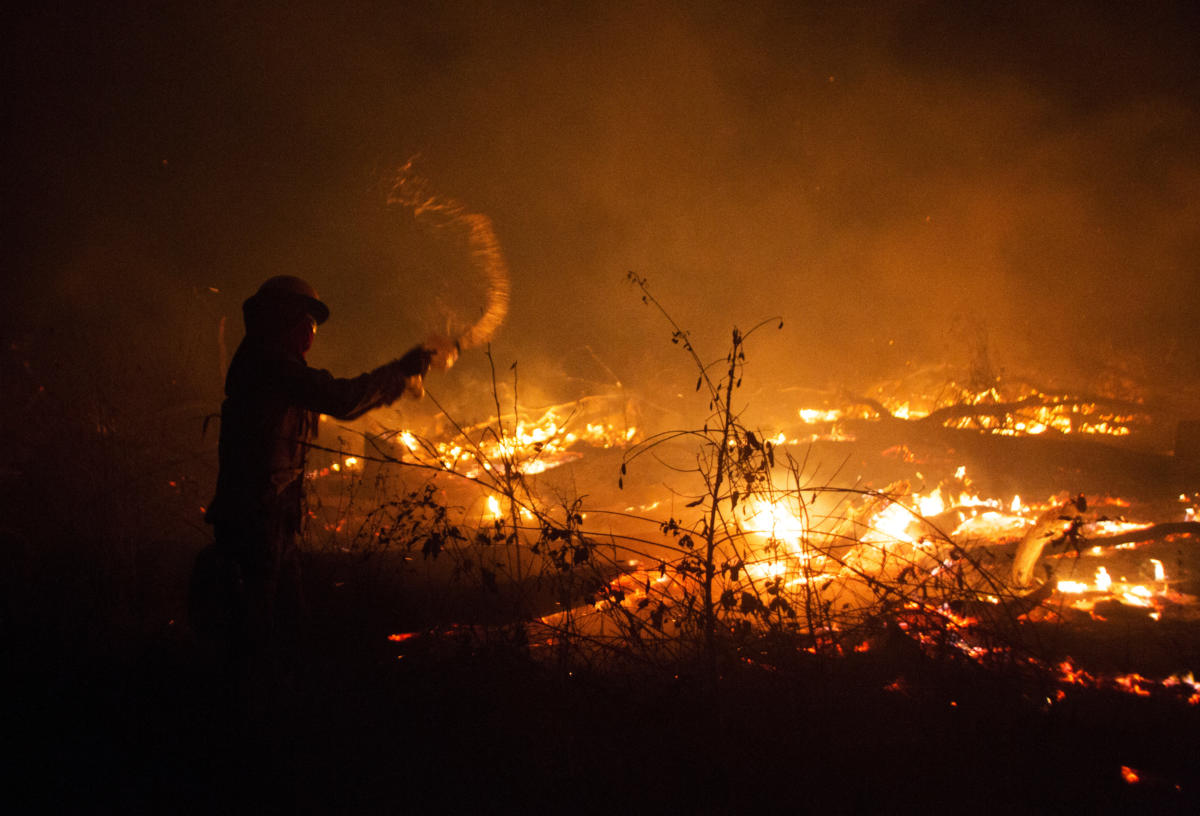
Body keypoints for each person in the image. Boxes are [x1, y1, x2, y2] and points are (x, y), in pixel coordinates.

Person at [195, 275, 434, 663]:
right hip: (256, 517)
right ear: (282, 319)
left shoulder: (270, 364)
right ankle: (251, 707)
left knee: (285, 625)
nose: (311, 330)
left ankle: (281, 700)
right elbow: (340, 398)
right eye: (305, 319)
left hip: (270, 516)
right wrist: (399, 372)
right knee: (256, 629)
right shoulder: (268, 364)